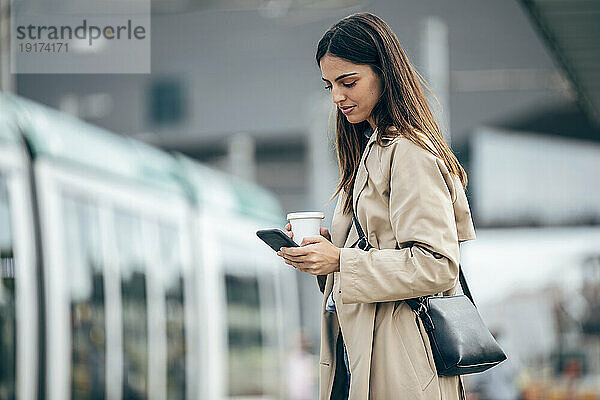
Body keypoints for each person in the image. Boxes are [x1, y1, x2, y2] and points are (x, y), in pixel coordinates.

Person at [276, 12, 476, 400]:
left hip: (403, 366)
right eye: (329, 85)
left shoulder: (409, 153)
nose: (337, 97)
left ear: (384, 74)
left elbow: (438, 264)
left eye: (348, 82)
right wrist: (327, 251)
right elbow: (376, 255)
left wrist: (340, 261)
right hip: (361, 356)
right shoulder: (371, 151)